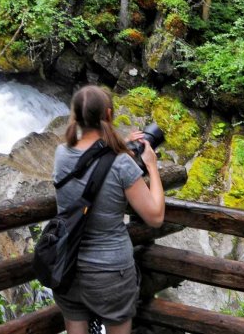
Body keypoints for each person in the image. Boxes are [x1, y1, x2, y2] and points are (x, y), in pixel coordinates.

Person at [51, 85, 165, 334]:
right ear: (110, 115)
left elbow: (89, 162)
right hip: (111, 273)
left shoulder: (61, 155)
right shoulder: (122, 164)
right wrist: (152, 166)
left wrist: (122, 143)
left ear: (75, 117)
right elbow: (155, 216)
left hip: (68, 267)